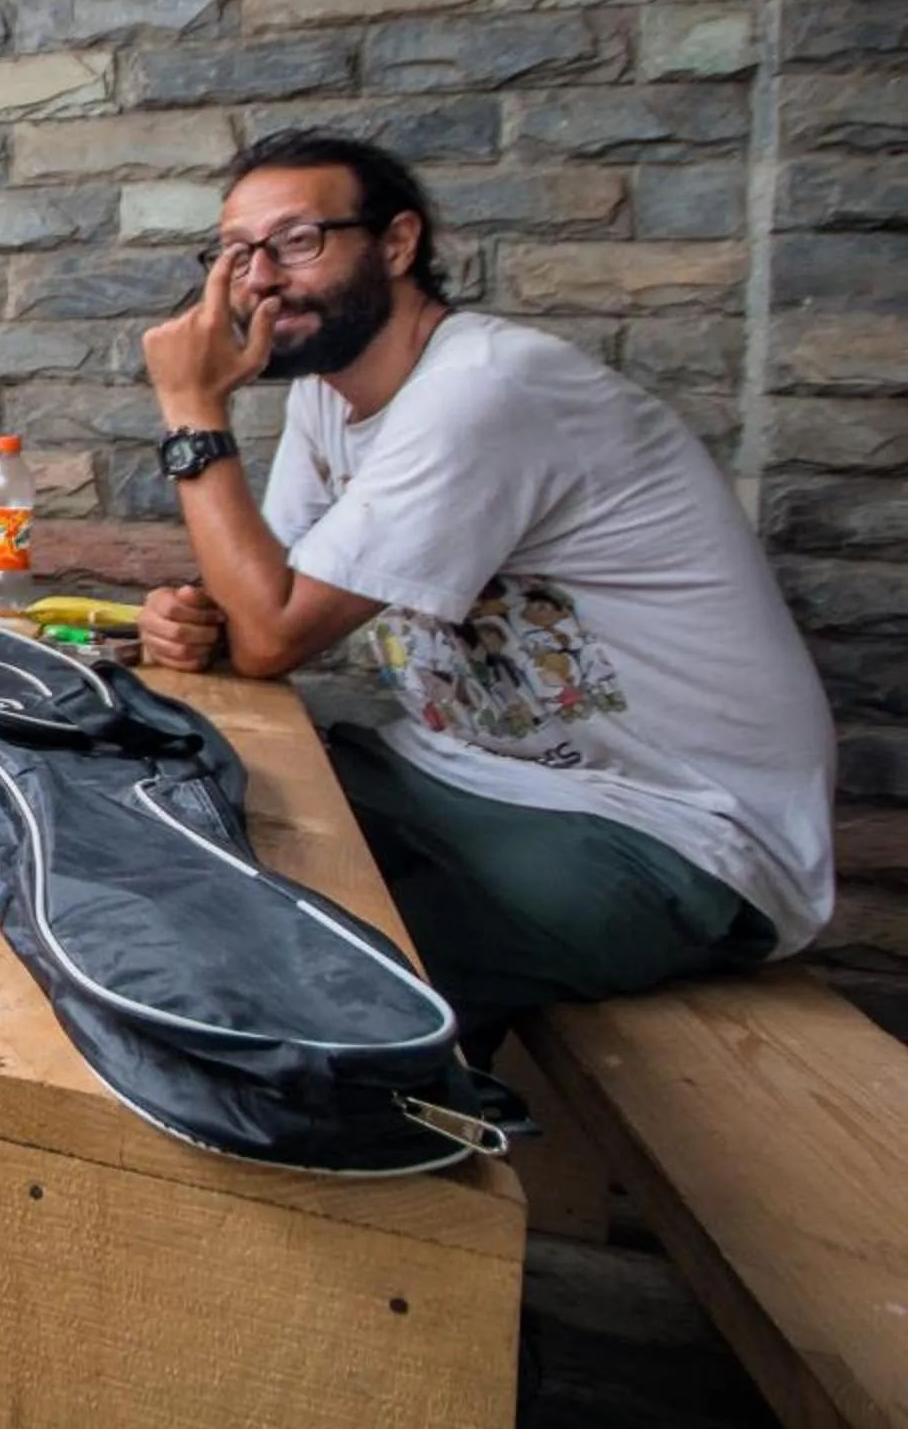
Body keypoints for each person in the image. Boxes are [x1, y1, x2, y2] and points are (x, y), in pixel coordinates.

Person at [131, 129, 834, 1046]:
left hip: (676, 834)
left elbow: (277, 633)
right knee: (163, 814)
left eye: (297, 241)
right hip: (454, 772)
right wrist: (193, 623)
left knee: (285, 963)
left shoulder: (486, 388)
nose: (259, 277)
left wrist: (192, 413)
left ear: (396, 245)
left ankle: (414, 1157)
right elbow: (261, 611)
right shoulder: (324, 398)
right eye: (235, 252)